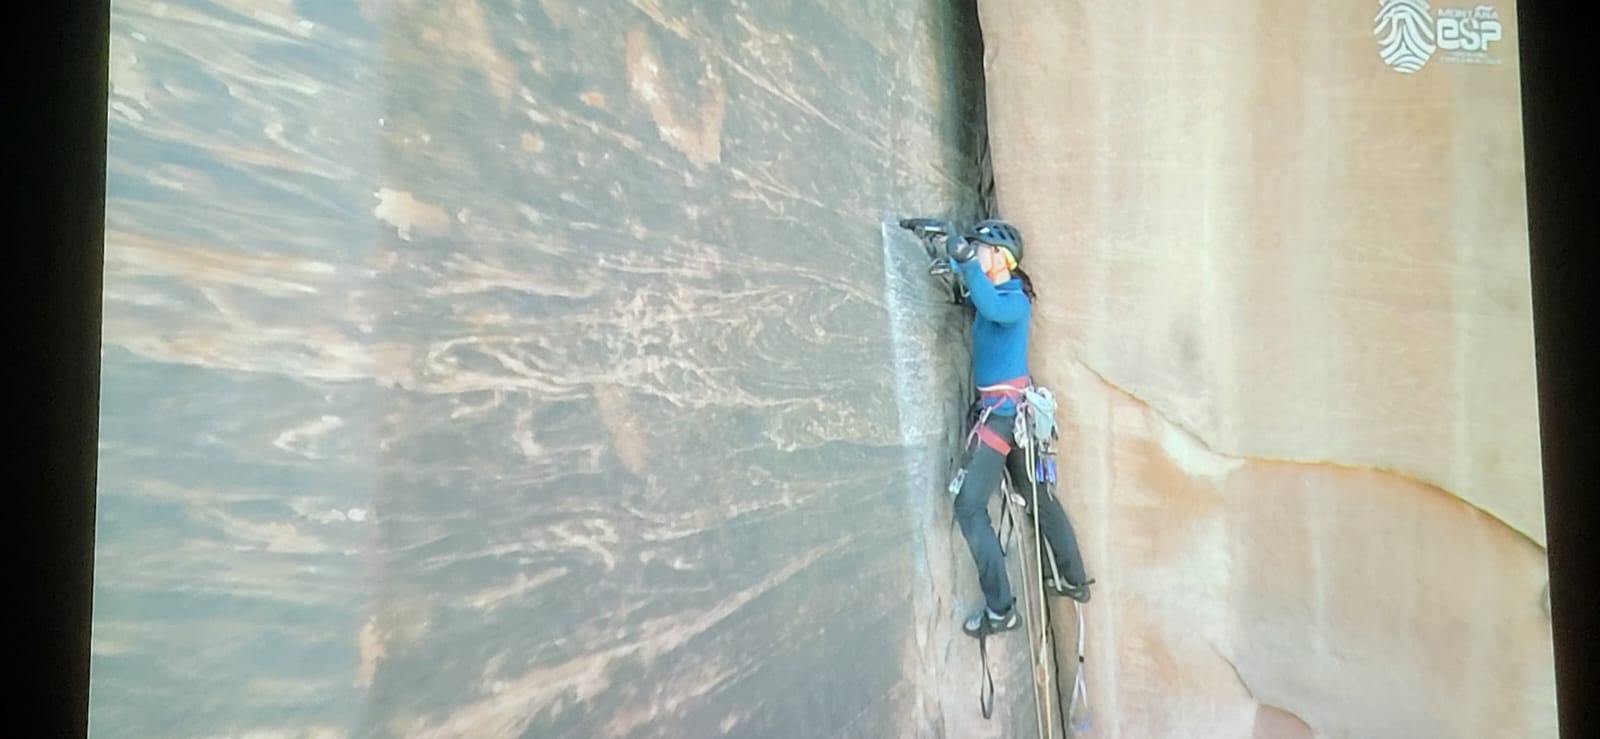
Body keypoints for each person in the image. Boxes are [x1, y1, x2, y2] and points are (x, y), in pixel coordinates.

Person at [946, 219, 1093, 638]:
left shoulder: (1015, 300)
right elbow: (976, 293)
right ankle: (1072, 579)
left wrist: (963, 263)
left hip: (1003, 416)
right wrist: (949, 256)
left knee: (969, 507)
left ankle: (1001, 610)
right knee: (1037, 497)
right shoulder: (995, 289)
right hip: (1012, 418)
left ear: (1001, 258)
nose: (974, 256)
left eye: (980, 250)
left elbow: (991, 305)